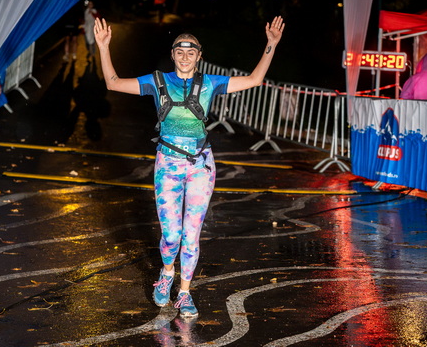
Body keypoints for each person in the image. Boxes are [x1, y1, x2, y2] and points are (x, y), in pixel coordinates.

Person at [93, 16, 285, 318]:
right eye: (180, 52)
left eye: (191, 52)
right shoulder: (157, 81)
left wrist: (271, 44)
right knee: (171, 235)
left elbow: (254, 80)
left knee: (191, 235)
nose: (185, 57)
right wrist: (104, 47)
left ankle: (184, 293)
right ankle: (167, 272)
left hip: (201, 165)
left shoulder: (210, 83)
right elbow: (113, 83)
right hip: (168, 165)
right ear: (172, 55)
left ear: (199, 56)